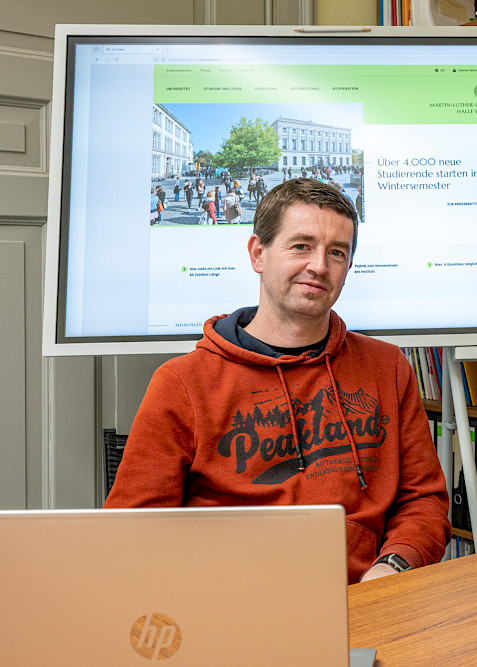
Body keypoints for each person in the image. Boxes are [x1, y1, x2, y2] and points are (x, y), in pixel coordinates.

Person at [105, 178, 450, 584]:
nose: (319, 266)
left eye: (336, 252)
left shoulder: (387, 366)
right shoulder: (182, 383)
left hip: (364, 596)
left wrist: (394, 566)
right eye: (301, 246)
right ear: (258, 253)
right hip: (234, 601)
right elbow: (135, 531)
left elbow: (423, 501)